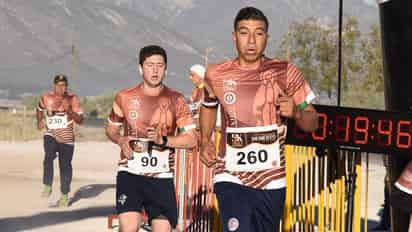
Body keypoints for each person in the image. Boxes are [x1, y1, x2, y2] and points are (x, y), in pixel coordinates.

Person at [199, 7, 319, 232]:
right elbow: (208, 106)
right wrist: (205, 140)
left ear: (267, 37)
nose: (251, 41)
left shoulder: (286, 72)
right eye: (244, 33)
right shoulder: (216, 74)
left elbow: (313, 122)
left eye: (259, 33)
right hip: (230, 174)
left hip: (272, 179)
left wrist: (297, 113)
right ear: (234, 37)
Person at [105, 45, 197, 232]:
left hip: (161, 176)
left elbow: (192, 139)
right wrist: (120, 140)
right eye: (149, 65)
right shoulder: (125, 97)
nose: (155, 70)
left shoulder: (177, 99)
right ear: (140, 68)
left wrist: (164, 140)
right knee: (129, 227)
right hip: (130, 172)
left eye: (160, 65)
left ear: (166, 69)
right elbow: (111, 129)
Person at [36, 74, 84, 207]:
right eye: (58, 85)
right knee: (49, 156)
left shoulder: (73, 99)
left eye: (63, 85)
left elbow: (81, 120)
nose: (60, 88)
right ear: (54, 85)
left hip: (67, 139)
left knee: (65, 167)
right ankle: (47, 185)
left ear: (66, 86)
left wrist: (70, 111)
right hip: (51, 134)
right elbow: (39, 109)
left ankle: (64, 195)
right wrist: (39, 120)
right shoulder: (46, 98)